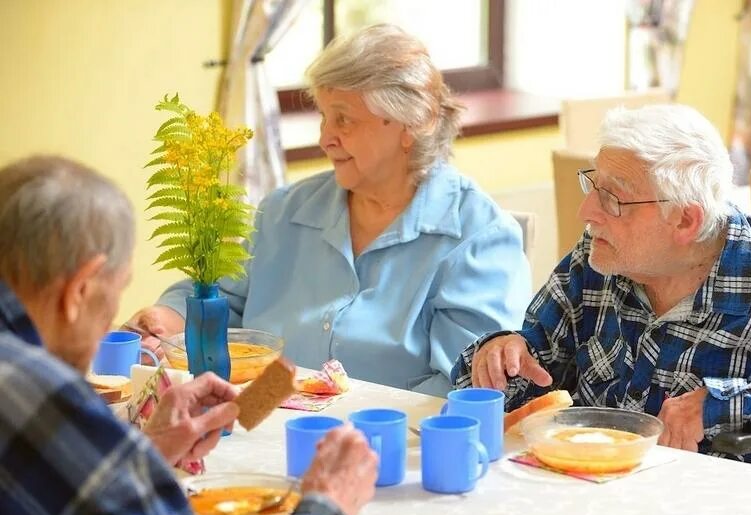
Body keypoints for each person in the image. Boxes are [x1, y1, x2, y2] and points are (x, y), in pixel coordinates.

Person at [0, 155, 378, 515]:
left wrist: (140, 455)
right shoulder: (45, 403)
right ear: (79, 291)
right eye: (117, 293)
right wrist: (326, 510)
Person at [128, 24, 531, 397]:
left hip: (393, 445)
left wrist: (344, 425)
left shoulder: (479, 238)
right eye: (323, 116)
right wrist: (170, 315)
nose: (325, 138)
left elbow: (462, 385)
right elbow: (222, 297)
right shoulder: (284, 211)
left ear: (415, 122)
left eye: (344, 119)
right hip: (264, 418)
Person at [452, 104, 751, 471]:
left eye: (613, 198)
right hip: (593, 490)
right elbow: (533, 368)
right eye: (593, 186)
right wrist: (499, 357)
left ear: (686, 221)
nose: (586, 212)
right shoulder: (600, 257)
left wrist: (727, 403)